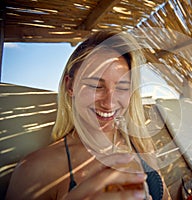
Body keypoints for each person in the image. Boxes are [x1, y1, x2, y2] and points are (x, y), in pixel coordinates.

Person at [6, 31, 170, 200]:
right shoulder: (37, 169)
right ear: (70, 86)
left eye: (122, 87)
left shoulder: (140, 143)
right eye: (95, 85)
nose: (109, 102)